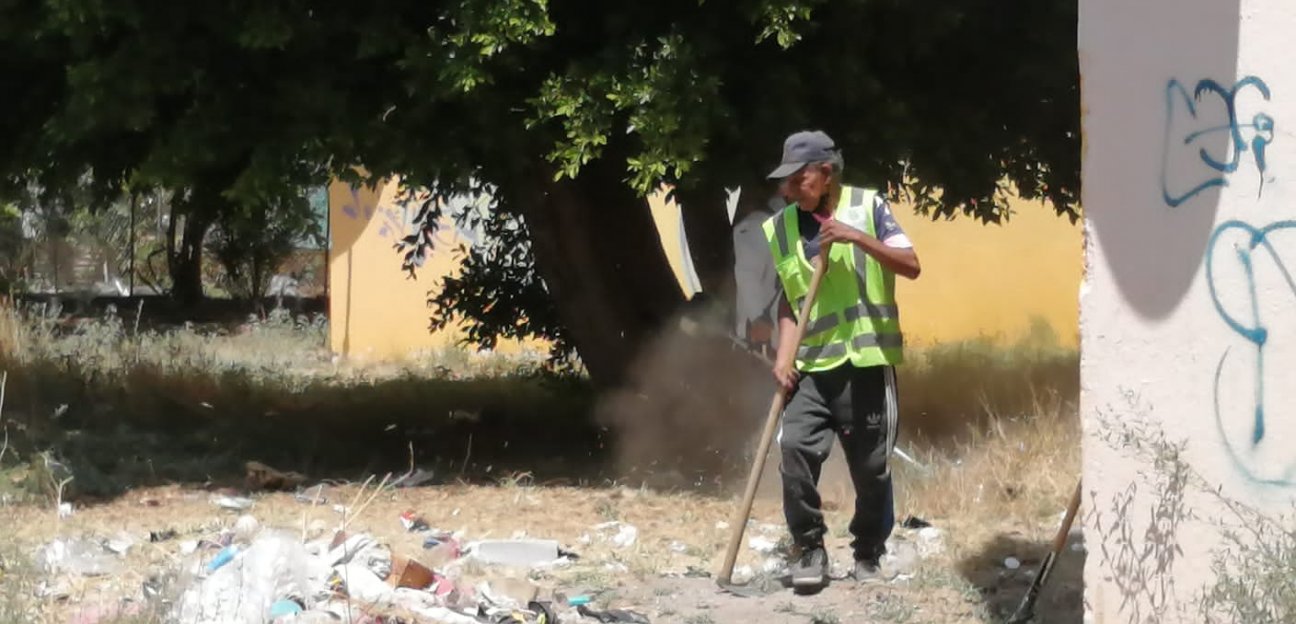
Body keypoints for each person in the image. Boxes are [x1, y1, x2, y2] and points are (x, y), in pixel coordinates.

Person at [761, 130, 921, 589]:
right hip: (812, 369)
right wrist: (783, 356)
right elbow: (790, 303)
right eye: (785, 181)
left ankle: (868, 552)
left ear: (825, 174)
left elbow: (910, 264)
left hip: (866, 363)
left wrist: (855, 237)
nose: (787, 189)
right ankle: (809, 549)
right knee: (794, 449)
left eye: (797, 179)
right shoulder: (782, 228)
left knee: (871, 469)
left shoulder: (867, 208)